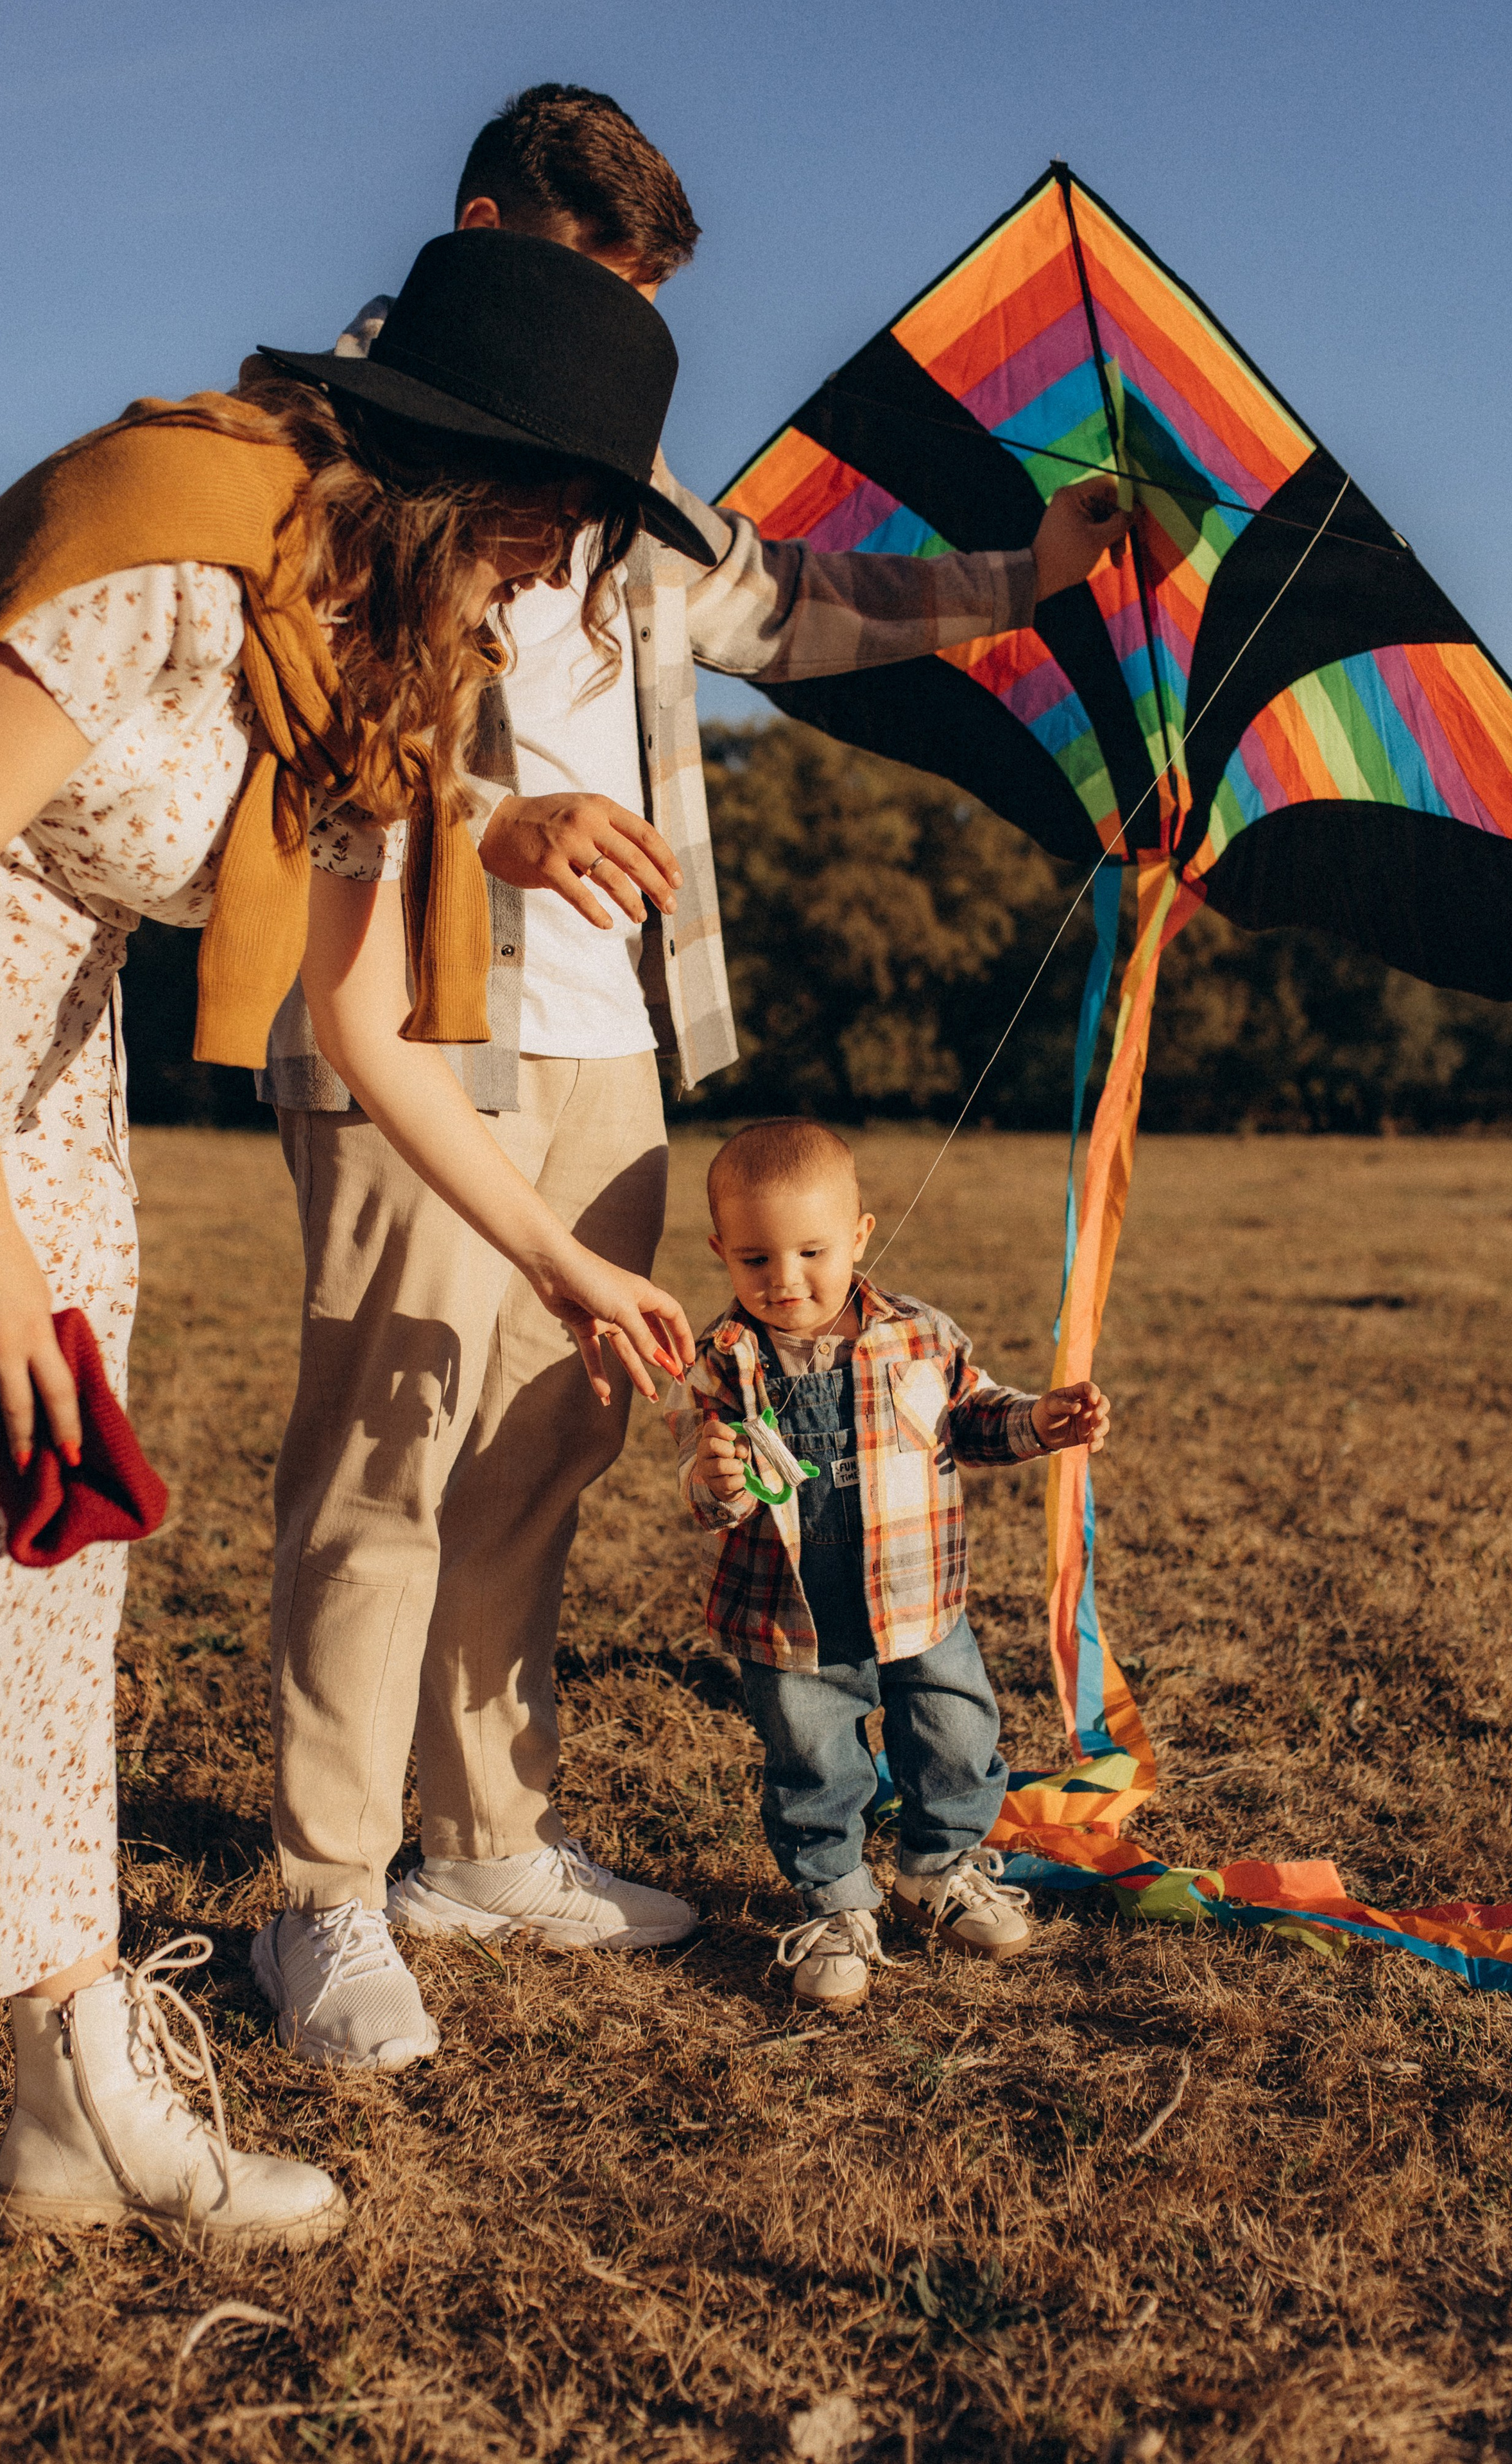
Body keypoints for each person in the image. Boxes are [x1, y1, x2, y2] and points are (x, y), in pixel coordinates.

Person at [253, 82, 1134, 2068]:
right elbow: (299, 732)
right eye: (603, 280)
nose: (629, 343)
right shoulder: (344, 464)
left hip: (611, 1047)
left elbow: (807, 604)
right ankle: (318, 1896)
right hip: (410, 1023)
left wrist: (1022, 574)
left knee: (546, 1453)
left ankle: (481, 1844)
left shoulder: (631, 501)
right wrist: (494, 812)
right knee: (388, 1459)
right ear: (488, 229)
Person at [0, 228, 700, 2241]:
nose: (563, 568)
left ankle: (67, 2099)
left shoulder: (361, 642)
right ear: (461, 466)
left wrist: (564, 1262)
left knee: (48, 1610)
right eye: (561, 511)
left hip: (52, 1111)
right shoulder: (165, 543)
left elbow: (361, 1013)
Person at [667, 1121, 1111, 2013]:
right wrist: (713, 1482)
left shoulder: (918, 1335)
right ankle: (833, 1902)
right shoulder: (721, 1364)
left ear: (861, 1236)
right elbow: (708, 1481)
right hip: (790, 1620)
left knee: (954, 1733)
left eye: (810, 1252)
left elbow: (973, 1417)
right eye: (753, 1260)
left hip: (919, 1601)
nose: (783, 1281)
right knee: (812, 1760)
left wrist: (1040, 1423)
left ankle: (938, 1869)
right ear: (719, 1251)